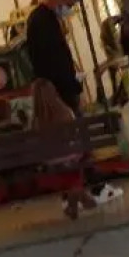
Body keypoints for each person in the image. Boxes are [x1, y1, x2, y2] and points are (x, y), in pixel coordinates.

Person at [24, 0, 123, 206]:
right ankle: (96, 188)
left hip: (56, 90)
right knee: (80, 141)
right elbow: (54, 62)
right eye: (68, 4)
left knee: (69, 144)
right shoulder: (42, 22)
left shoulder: (40, 19)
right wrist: (73, 86)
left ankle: (72, 193)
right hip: (61, 92)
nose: (68, 9)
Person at [30, 79, 99, 221]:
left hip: (51, 160)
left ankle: (73, 205)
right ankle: (81, 195)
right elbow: (76, 134)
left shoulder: (36, 120)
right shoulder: (65, 111)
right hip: (72, 155)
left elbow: (36, 145)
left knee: (64, 164)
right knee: (73, 159)